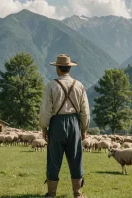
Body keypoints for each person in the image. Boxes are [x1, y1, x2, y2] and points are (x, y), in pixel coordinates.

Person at [39, 54, 90, 198]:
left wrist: (44, 127)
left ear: (58, 69)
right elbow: (85, 110)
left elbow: (45, 110)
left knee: (54, 158)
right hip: (74, 124)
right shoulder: (79, 85)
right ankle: (78, 194)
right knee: (76, 158)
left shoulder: (51, 85)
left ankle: (51, 193)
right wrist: (84, 129)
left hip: (56, 124)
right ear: (69, 68)